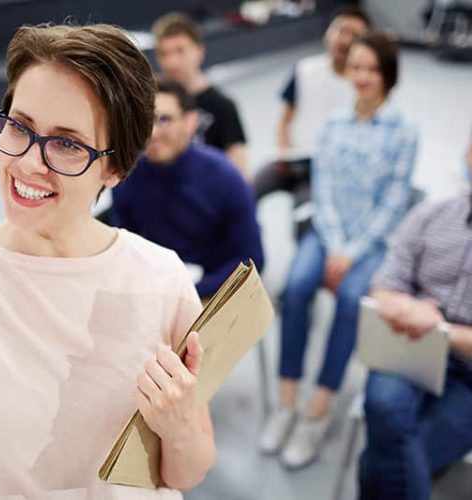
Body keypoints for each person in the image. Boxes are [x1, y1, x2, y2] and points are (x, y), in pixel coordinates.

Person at [0, 23, 216, 499]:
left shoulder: (161, 276)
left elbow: (184, 472)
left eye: (68, 143)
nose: (29, 163)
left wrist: (176, 426)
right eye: (19, 126)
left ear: (115, 168)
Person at [258, 32, 418, 468]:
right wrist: (333, 242)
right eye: (357, 68)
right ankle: (287, 400)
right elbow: (322, 189)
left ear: (388, 75)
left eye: (373, 69)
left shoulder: (405, 131)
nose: (363, 77)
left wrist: (352, 251)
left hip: (372, 242)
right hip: (327, 234)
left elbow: (394, 200)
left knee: (351, 301)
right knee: (296, 285)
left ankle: (318, 410)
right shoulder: (332, 124)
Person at [358, 135, 472, 500]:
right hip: (409, 344)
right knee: (383, 406)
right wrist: (409, 308)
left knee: (383, 457)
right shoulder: (432, 215)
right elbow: (383, 286)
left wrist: (441, 329)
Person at [110, 78, 263, 299]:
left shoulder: (224, 177)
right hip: (155, 291)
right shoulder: (127, 177)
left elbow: (251, 258)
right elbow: (124, 252)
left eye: (165, 120)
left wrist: (190, 291)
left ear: (190, 122)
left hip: (214, 292)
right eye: (146, 121)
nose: (152, 133)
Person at [253, 6, 370, 201]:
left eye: (355, 35)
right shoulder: (304, 69)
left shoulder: (363, 85)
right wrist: (282, 151)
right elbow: (285, 119)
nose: (345, 40)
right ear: (328, 32)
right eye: (341, 31)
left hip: (327, 170)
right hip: (291, 158)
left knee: (304, 213)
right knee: (244, 193)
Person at [152, 12, 250, 179]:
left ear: (199, 51)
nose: (172, 62)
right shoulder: (151, 104)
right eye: (164, 54)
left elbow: (240, 174)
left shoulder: (222, 107)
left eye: (180, 51)